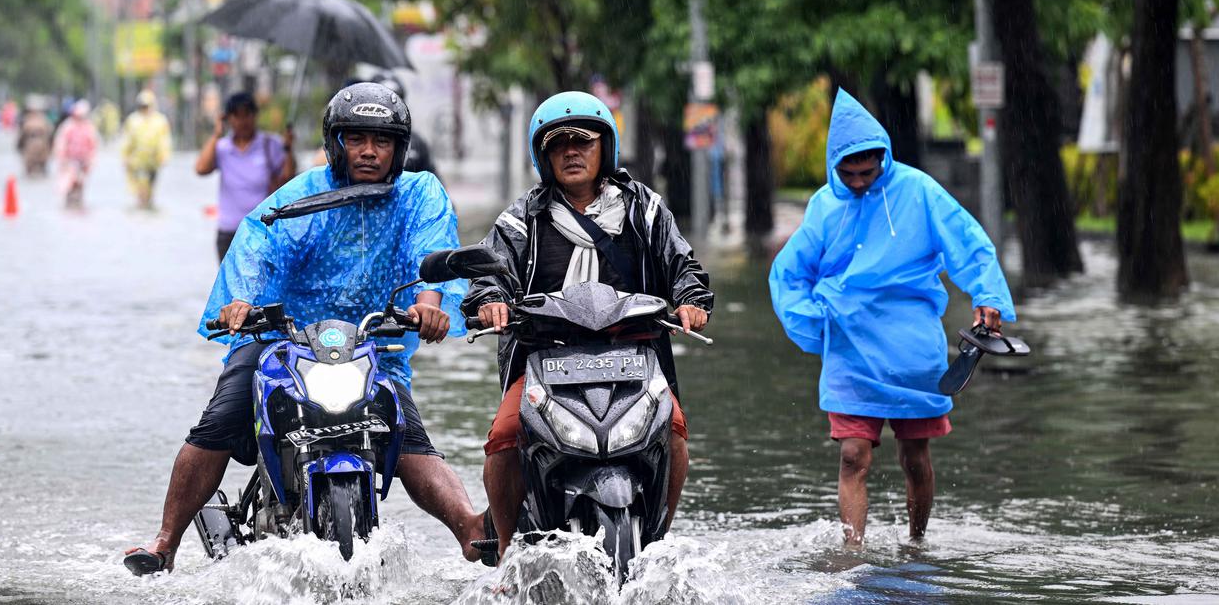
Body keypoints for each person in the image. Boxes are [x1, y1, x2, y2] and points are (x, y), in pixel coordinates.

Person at [123, 82, 485, 576]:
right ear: (335, 143)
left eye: (382, 142)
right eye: (356, 139)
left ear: (400, 149)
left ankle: (469, 528)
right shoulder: (301, 195)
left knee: (405, 432)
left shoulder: (418, 194)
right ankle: (165, 542)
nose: (369, 152)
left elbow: (431, 253)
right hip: (280, 339)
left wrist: (428, 307)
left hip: (371, 343)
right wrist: (242, 302)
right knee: (222, 420)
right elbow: (259, 245)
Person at [463, 91, 713, 560]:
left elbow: (683, 263)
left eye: (583, 141)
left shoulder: (645, 210)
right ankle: (506, 551)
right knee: (502, 438)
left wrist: (690, 299)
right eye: (558, 144)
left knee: (674, 430)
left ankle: (657, 535)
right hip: (546, 360)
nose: (571, 152)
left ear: (606, 148)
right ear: (544, 155)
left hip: (633, 360)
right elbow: (490, 270)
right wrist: (491, 299)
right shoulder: (521, 219)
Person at [768, 89, 1016, 549]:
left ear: (884, 157)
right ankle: (852, 555)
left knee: (915, 457)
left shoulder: (919, 191)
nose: (860, 181)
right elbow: (790, 273)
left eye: (869, 171)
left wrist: (988, 296)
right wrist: (815, 322)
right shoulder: (825, 205)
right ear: (835, 166)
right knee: (852, 456)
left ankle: (916, 543)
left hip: (911, 348)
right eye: (850, 173)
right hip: (849, 348)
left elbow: (968, 242)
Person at [195, 91, 296, 260]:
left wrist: (289, 149)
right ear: (228, 118)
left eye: (247, 115)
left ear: (255, 116)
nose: (242, 121)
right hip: (228, 232)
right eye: (237, 116)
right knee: (230, 286)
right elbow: (201, 169)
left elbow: (288, 178)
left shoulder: (270, 144)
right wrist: (216, 134)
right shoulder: (221, 147)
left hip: (262, 229)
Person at [120, 90, 172, 209]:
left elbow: (164, 141)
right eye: (142, 106)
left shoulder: (160, 121)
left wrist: (164, 156)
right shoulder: (133, 120)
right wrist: (125, 157)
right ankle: (141, 202)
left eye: (147, 106)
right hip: (137, 161)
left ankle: (148, 203)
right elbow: (126, 140)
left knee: (151, 188)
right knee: (140, 188)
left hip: (153, 161)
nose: (145, 108)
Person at [53, 99, 101, 208]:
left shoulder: (89, 127)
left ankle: (78, 201)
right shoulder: (68, 126)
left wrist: (91, 160)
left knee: (81, 182)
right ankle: (69, 201)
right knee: (69, 182)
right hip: (70, 160)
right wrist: (62, 158)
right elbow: (61, 143)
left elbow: (93, 145)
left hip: (83, 161)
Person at [17, 97, 53, 177]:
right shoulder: (28, 119)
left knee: (42, 161)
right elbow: (23, 133)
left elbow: (49, 133)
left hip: (41, 143)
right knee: (30, 164)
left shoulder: (43, 119)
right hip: (31, 143)